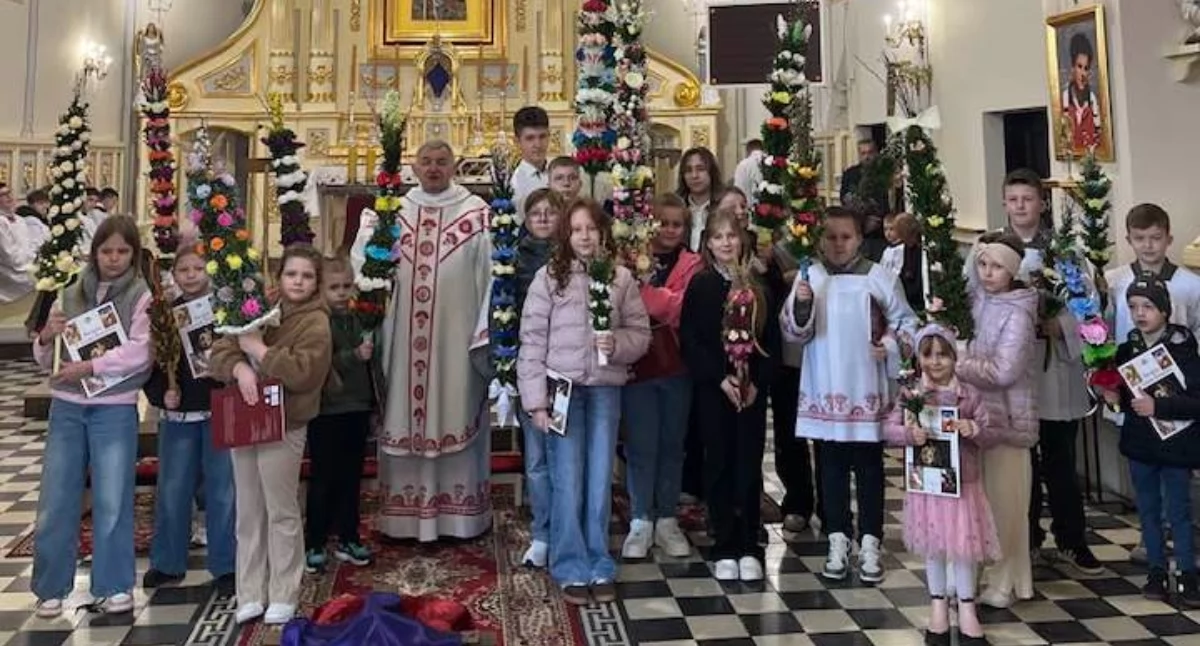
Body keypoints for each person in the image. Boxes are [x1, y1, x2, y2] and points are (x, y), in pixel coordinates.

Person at [350, 140, 494, 541]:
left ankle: (459, 516)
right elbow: (363, 268)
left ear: (454, 165)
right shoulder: (389, 212)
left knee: (457, 405)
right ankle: (403, 517)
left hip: (455, 342)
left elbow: (492, 276)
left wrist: (484, 332)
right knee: (399, 409)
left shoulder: (477, 214)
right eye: (426, 161)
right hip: (400, 338)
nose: (433, 168)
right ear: (414, 166)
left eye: (441, 162)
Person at [517, 198, 650, 605]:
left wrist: (619, 343)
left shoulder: (621, 278)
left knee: (597, 479)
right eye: (576, 230)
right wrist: (536, 402)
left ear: (603, 233)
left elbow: (639, 333)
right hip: (563, 391)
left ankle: (599, 561)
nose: (585, 236)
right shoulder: (548, 278)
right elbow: (533, 340)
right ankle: (570, 563)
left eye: (591, 228)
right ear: (566, 236)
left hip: (605, 389)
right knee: (567, 476)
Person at [781, 206, 919, 583]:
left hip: (866, 388)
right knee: (831, 467)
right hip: (825, 388)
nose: (838, 244)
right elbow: (793, 331)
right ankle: (838, 537)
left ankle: (871, 540)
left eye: (846, 237)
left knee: (871, 468)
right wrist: (803, 302)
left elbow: (907, 323)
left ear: (860, 238)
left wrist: (889, 345)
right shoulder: (813, 275)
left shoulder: (879, 278)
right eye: (831, 237)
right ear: (820, 239)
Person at [30, 215, 153, 617]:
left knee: (113, 498)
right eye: (106, 251)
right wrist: (47, 336)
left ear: (133, 255)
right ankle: (51, 587)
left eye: (122, 251)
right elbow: (47, 357)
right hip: (67, 407)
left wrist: (92, 368)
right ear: (94, 253)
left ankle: (115, 584)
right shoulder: (67, 294)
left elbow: (141, 352)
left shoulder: (141, 295)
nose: (114, 259)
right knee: (56, 497)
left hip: (114, 408)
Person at [209, 244, 333, 625]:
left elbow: (303, 373)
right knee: (248, 510)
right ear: (279, 276)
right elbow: (219, 350)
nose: (298, 281)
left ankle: (283, 591)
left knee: (280, 509)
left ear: (316, 283)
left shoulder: (316, 322)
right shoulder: (255, 306)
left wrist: (261, 352)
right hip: (245, 419)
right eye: (292, 274)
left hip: (286, 423)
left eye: (307, 276)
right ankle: (250, 591)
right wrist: (239, 369)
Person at [993, 169, 1100, 575]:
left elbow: (1089, 310)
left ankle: (1072, 540)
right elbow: (976, 304)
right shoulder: (991, 248)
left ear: (1041, 203)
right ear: (1004, 202)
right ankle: (1025, 540)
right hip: (1013, 371)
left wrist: (1063, 326)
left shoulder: (1064, 252)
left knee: (1060, 460)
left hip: (1054, 369)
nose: (1021, 206)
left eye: (1028, 199)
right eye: (1013, 199)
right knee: (1020, 465)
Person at [680, 209, 780, 581]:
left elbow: (770, 343)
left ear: (743, 240)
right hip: (715, 391)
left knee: (748, 463)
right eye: (718, 237)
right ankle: (724, 541)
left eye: (732, 236)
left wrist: (755, 382)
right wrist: (720, 378)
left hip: (750, 392)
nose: (726, 243)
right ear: (708, 243)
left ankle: (749, 543)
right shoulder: (702, 285)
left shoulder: (758, 287)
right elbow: (691, 340)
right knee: (719, 461)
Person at [884, 324, 1000, 645]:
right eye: (928, 355)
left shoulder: (969, 395)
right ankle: (937, 607)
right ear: (919, 359)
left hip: (964, 486)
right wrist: (909, 434)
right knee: (934, 548)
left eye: (943, 355)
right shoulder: (911, 394)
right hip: (927, 486)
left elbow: (991, 432)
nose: (935, 363)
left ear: (954, 357)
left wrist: (972, 428)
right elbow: (889, 430)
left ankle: (966, 609)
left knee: (964, 549)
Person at [1106, 203, 1200, 566]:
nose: (1148, 246)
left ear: (1168, 239)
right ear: (1130, 240)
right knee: (1143, 472)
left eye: (1155, 238)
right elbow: (1108, 332)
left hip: (1177, 394)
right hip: (1135, 390)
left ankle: (1182, 548)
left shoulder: (1190, 284)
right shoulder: (1116, 281)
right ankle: (1152, 543)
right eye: (1140, 239)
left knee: (1176, 480)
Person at [1101, 274, 1200, 606]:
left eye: (1148, 306)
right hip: (1141, 445)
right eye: (1133, 307)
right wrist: (1111, 394)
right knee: (1148, 512)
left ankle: (1188, 574)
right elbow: (1124, 399)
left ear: (1165, 310)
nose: (1140, 313)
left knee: (1179, 512)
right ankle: (1156, 572)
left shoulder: (1184, 348)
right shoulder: (1127, 347)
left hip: (1176, 446)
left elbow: (1195, 401)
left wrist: (1159, 405)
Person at [142, 248, 235, 593]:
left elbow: (238, 354)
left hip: (219, 411)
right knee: (172, 489)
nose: (192, 274)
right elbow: (152, 362)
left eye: (198, 268)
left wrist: (227, 372)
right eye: (184, 269)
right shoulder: (164, 314)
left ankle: (226, 564)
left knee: (222, 492)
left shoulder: (223, 310)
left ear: (208, 272)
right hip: (178, 414)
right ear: (174, 275)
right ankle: (167, 562)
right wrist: (160, 394)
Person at [959, 231, 1039, 608]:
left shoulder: (1019, 310)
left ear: (1012, 271)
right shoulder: (974, 301)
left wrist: (956, 363)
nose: (988, 273)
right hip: (975, 415)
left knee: (1006, 505)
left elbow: (1005, 370)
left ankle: (1005, 579)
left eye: (997, 267)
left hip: (1006, 419)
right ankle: (975, 570)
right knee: (978, 502)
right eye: (983, 264)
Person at [621, 194, 702, 560]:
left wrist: (654, 299)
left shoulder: (695, 264)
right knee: (641, 446)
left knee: (672, 444)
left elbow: (683, 307)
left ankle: (667, 518)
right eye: (663, 223)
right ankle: (640, 518)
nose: (669, 230)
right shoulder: (631, 259)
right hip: (639, 365)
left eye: (677, 224)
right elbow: (630, 303)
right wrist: (661, 301)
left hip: (678, 366)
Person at [304, 256, 376, 573]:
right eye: (334, 287)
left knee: (351, 477)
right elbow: (323, 361)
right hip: (327, 408)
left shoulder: (360, 316)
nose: (342, 293)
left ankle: (348, 536)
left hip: (357, 406)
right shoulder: (318, 320)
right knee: (323, 478)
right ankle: (315, 541)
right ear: (321, 289)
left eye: (347, 286)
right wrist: (353, 355)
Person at [512, 188, 565, 568]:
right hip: (528, 366)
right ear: (526, 220)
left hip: (563, 369)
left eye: (550, 213)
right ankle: (542, 531)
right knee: (535, 459)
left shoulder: (572, 257)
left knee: (564, 455)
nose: (544, 219)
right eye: (536, 214)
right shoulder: (511, 258)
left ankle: (565, 530)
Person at [675, 146, 722, 251]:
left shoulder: (723, 206)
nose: (694, 175)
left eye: (700, 169)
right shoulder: (677, 208)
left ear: (711, 172)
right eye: (688, 170)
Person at [511, 106, 551, 223]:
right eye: (530, 138)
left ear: (549, 136)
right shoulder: (514, 183)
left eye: (542, 137)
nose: (537, 144)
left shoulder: (560, 173)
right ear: (517, 142)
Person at [1062, 33, 1101, 153]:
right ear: (1073, 68)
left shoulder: (1092, 100)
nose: (1083, 73)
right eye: (1079, 67)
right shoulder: (1064, 99)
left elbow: (1098, 136)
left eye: (1086, 68)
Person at [0, 183, 36, 303]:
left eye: (9, 193)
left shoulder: (20, 220)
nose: (9, 197)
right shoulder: (1, 222)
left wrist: (35, 259)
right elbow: (9, 256)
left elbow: (30, 244)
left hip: (28, 262)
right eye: (3, 195)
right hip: (9, 270)